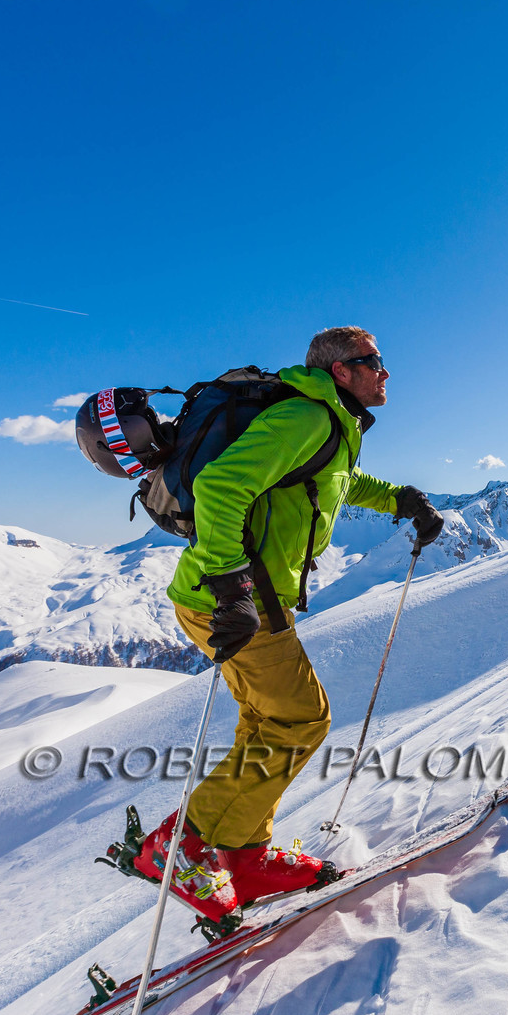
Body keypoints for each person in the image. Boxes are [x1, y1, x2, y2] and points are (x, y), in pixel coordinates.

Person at [132, 326, 444, 919]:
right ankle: (180, 843)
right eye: (372, 361)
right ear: (340, 371)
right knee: (301, 720)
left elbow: (332, 481)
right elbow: (219, 485)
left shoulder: (329, 422)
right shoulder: (307, 416)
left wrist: (401, 500)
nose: (385, 371)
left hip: (240, 597)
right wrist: (231, 589)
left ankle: (244, 858)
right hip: (231, 599)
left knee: (268, 722)